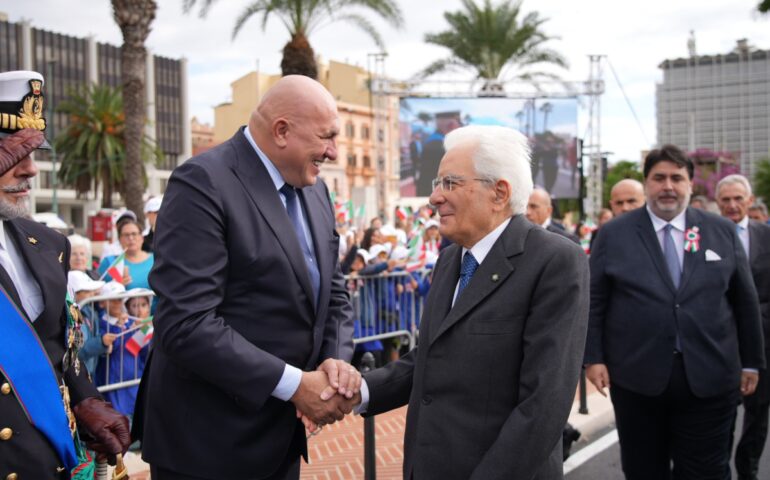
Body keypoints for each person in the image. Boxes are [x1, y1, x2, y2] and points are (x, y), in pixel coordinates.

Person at [137, 75, 358, 480]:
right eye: (326, 137)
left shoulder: (315, 190)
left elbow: (334, 293)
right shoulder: (203, 182)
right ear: (281, 131)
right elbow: (186, 323)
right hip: (209, 446)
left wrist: (335, 363)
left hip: (280, 438)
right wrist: (296, 387)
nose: (332, 151)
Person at [354, 125, 590, 479]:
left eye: (449, 183)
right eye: (436, 184)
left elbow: (542, 405)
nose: (434, 198)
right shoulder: (451, 261)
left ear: (499, 193)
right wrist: (357, 390)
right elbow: (430, 359)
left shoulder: (554, 261)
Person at [585, 145, 765, 479]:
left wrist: (752, 360)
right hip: (636, 379)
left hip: (710, 377)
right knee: (643, 470)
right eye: (659, 178)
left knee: (706, 471)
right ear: (647, 183)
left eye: (677, 178)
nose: (668, 186)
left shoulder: (721, 231)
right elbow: (596, 301)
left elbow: (744, 301)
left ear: (690, 185)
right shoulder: (613, 234)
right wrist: (593, 357)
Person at [0, 71, 129, 479]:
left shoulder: (47, 243)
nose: (32, 171)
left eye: (34, 154)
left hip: (51, 463)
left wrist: (86, 399)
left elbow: (59, 347)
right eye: (15, 156)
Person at [715, 174, 770, 480]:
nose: (732, 205)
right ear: (718, 203)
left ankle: (747, 467)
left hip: (763, 343)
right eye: (726, 200)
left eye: (738, 199)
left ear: (750, 201)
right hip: (720, 343)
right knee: (719, 413)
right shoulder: (706, 235)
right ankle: (719, 466)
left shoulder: (766, 236)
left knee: (758, 413)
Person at [68, 270, 113, 376]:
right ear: (75, 294)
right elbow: (77, 351)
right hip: (77, 375)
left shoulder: (89, 310)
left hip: (89, 372)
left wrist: (103, 346)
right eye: (88, 291)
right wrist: (101, 343)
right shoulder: (73, 315)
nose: (93, 294)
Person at [98, 218, 154, 292]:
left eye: (134, 234)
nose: (131, 238)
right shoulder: (110, 262)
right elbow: (98, 291)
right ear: (120, 240)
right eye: (126, 235)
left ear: (142, 238)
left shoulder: (156, 259)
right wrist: (116, 286)